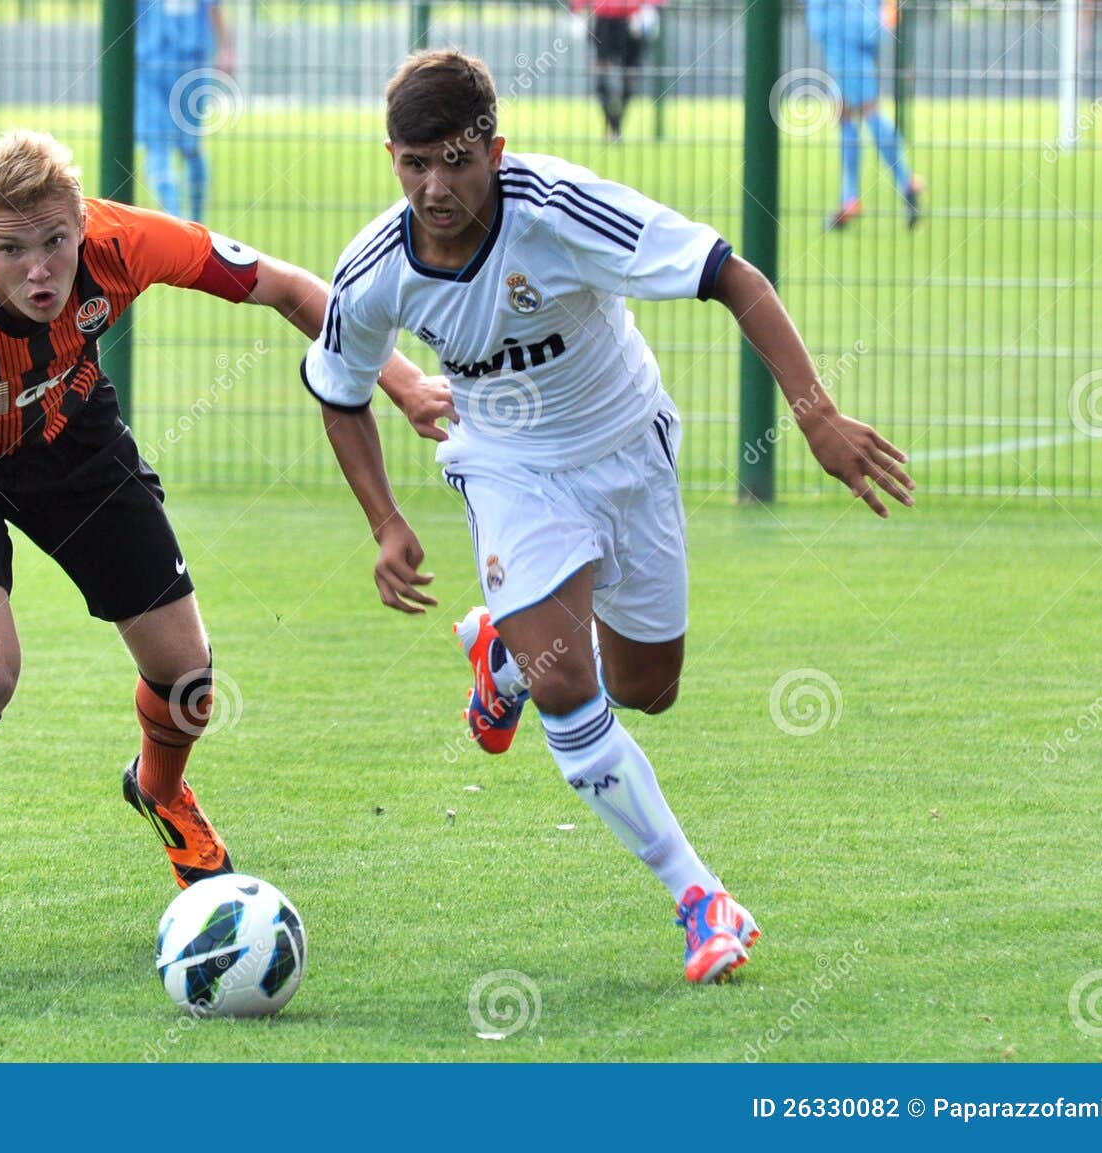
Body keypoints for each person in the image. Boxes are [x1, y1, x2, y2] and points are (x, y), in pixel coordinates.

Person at [0, 130, 446, 956]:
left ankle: (161, 790)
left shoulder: (125, 242)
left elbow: (289, 289)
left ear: (81, 222)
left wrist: (400, 382)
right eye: (11, 250)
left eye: (55, 242)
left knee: (187, 675)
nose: (40, 269)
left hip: (70, 432)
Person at [302, 52, 915, 984]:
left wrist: (816, 415)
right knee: (568, 690)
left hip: (629, 451)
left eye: (456, 162)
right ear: (390, 156)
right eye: (413, 163)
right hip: (507, 469)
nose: (434, 187)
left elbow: (730, 275)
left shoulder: (558, 209)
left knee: (648, 687)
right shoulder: (377, 269)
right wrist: (386, 521)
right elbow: (340, 389)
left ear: (494, 151)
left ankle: (504, 654)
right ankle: (699, 894)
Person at [806, 0, 923, 230]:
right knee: (847, 118)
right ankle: (850, 197)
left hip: (846, 42)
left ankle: (905, 180)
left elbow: (857, 27)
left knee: (868, 113)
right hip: (846, 42)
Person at [136, 0, 235, 220]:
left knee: (169, 147)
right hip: (172, 64)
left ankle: (182, 224)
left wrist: (226, 49)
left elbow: (213, 8)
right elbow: (214, 8)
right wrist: (226, 49)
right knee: (178, 147)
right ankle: (187, 224)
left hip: (168, 64)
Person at [571, 0, 664, 142]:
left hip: (633, 19)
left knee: (629, 79)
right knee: (602, 78)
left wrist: (649, 9)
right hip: (604, 19)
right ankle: (613, 126)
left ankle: (615, 127)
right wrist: (577, 10)